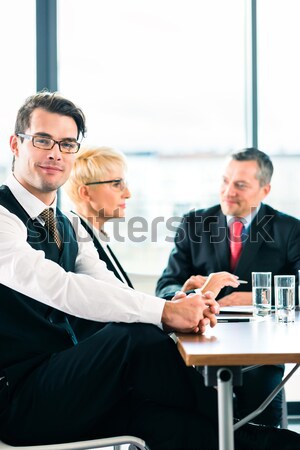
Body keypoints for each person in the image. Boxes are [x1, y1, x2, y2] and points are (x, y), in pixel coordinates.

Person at [0, 92, 299, 450]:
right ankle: (234, 423)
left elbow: (108, 285)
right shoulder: (4, 217)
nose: (55, 153)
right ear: (16, 144)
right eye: (43, 140)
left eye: (67, 144)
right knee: (132, 338)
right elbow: (59, 287)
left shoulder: (67, 225)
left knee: (177, 427)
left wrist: (179, 307)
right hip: (20, 397)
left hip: (72, 383)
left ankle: (256, 438)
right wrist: (167, 312)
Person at [156, 147, 300, 427]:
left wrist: (259, 296)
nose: (228, 191)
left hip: (264, 350)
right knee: (199, 420)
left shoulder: (289, 230)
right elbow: (165, 285)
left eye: (241, 185)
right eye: (225, 181)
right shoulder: (194, 223)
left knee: (262, 422)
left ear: (265, 190)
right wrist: (185, 292)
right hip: (203, 344)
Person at [64, 146, 133, 287]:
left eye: (124, 184)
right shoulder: (76, 239)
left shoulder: (95, 235)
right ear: (85, 193)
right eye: (116, 184)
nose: (127, 194)